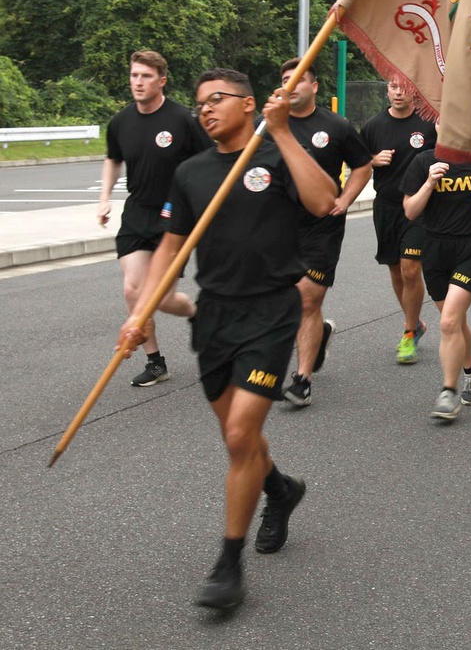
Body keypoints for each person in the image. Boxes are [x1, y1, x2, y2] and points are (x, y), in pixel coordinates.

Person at [119, 67, 339, 610]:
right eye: (200, 104)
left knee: (241, 434)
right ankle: (281, 490)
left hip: (270, 314)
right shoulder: (190, 172)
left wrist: (283, 132)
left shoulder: (275, 159)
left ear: (247, 105)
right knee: (239, 440)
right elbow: (171, 248)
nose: (207, 110)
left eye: (218, 99)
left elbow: (324, 200)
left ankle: (227, 565)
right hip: (214, 317)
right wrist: (142, 308)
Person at [99, 51, 212, 387]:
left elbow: (209, 160)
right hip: (137, 213)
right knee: (133, 289)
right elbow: (112, 159)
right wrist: (104, 198)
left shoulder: (183, 120)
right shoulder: (120, 122)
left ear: (161, 80)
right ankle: (155, 362)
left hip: (174, 216)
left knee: (161, 298)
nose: (138, 82)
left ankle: (196, 313)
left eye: (146, 76)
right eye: (134, 75)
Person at [277, 58, 373, 407]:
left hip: (322, 227)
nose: (292, 85)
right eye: (286, 80)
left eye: (299, 80)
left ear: (314, 86)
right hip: (279, 227)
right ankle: (319, 334)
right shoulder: (271, 126)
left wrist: (346, 199)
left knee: (306, 300)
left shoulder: (336, 126)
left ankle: (302, 380)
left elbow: (363, 165)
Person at [401, 151, 471, 421]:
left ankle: (448, 391)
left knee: (449, 321)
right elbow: (411, 211)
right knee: (456, 322)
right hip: (435, 250)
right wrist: (428, 183)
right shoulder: (423, 162)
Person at [360, 80, 437, 364]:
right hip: (387, 207)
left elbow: (447, 155)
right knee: (395, 270)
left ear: (413, 91)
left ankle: (407, 333)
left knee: (410, 269)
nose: (398, 92)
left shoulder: (429, 124)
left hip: (418, 208)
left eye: (403, 87)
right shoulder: (373, 126)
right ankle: (415, 323)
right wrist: (372, 160)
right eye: (393, 87)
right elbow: (356, 161)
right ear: (387, 91)